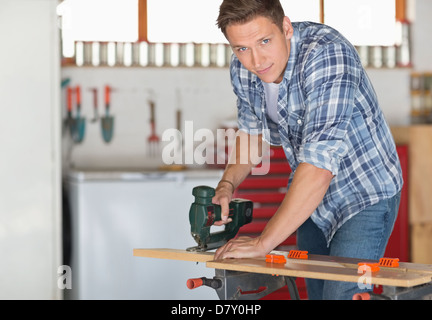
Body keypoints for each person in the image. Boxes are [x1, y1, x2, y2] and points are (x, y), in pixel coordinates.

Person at [212, 0, 403, 300]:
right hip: (313, 201)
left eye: (264, 41)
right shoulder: (243, 68)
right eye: (241, 48)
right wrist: (227, 184)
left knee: (342, 295)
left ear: (285, 27)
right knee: (315, 294)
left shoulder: (328, 55)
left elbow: (318, 166)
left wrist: (263, 242)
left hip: (365, 193)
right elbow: (252, 133)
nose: (256, 60)